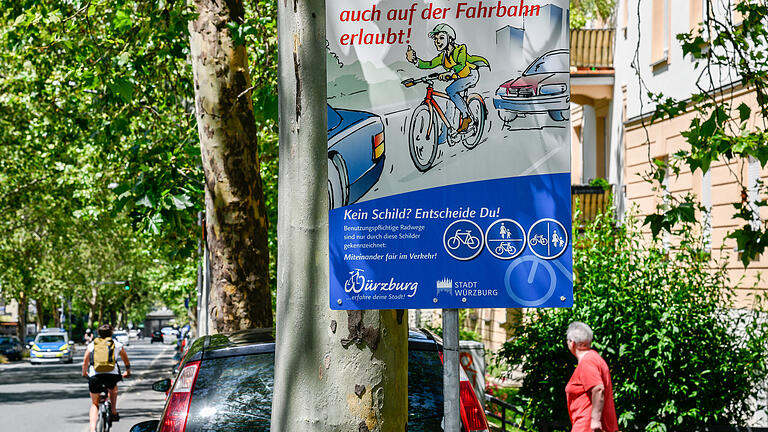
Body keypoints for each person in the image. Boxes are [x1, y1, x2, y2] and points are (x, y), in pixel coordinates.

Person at [406, 23, 489, 133]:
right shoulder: (442, 57)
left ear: (450, 38)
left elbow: (460, 64)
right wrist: (415, 60)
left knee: (450, 90)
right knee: (450, 101)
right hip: (458, 78)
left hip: (470, 74)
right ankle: (446, 134)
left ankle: (466, 116)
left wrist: (449, 72)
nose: (437, 42)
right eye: (435, 39)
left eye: (441, 38)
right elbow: (429, 64)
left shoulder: (461, 49)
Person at [565, 322, 618, 432]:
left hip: (586, 427)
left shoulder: (588, 361)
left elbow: (598, 388)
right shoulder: (595, 359)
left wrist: (595, 420)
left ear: (572, 343)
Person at [82, 324, 131, 432]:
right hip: (111, 375)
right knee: (113, 389)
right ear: (111, 333)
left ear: (98, 334)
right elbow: (126, 361)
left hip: (95, 375)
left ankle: (92, 429)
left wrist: (84, 373)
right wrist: (128, 372)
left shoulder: (92, 345)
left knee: (95, 403)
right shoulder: (117, 344)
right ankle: (113, 410)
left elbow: (85, 361)